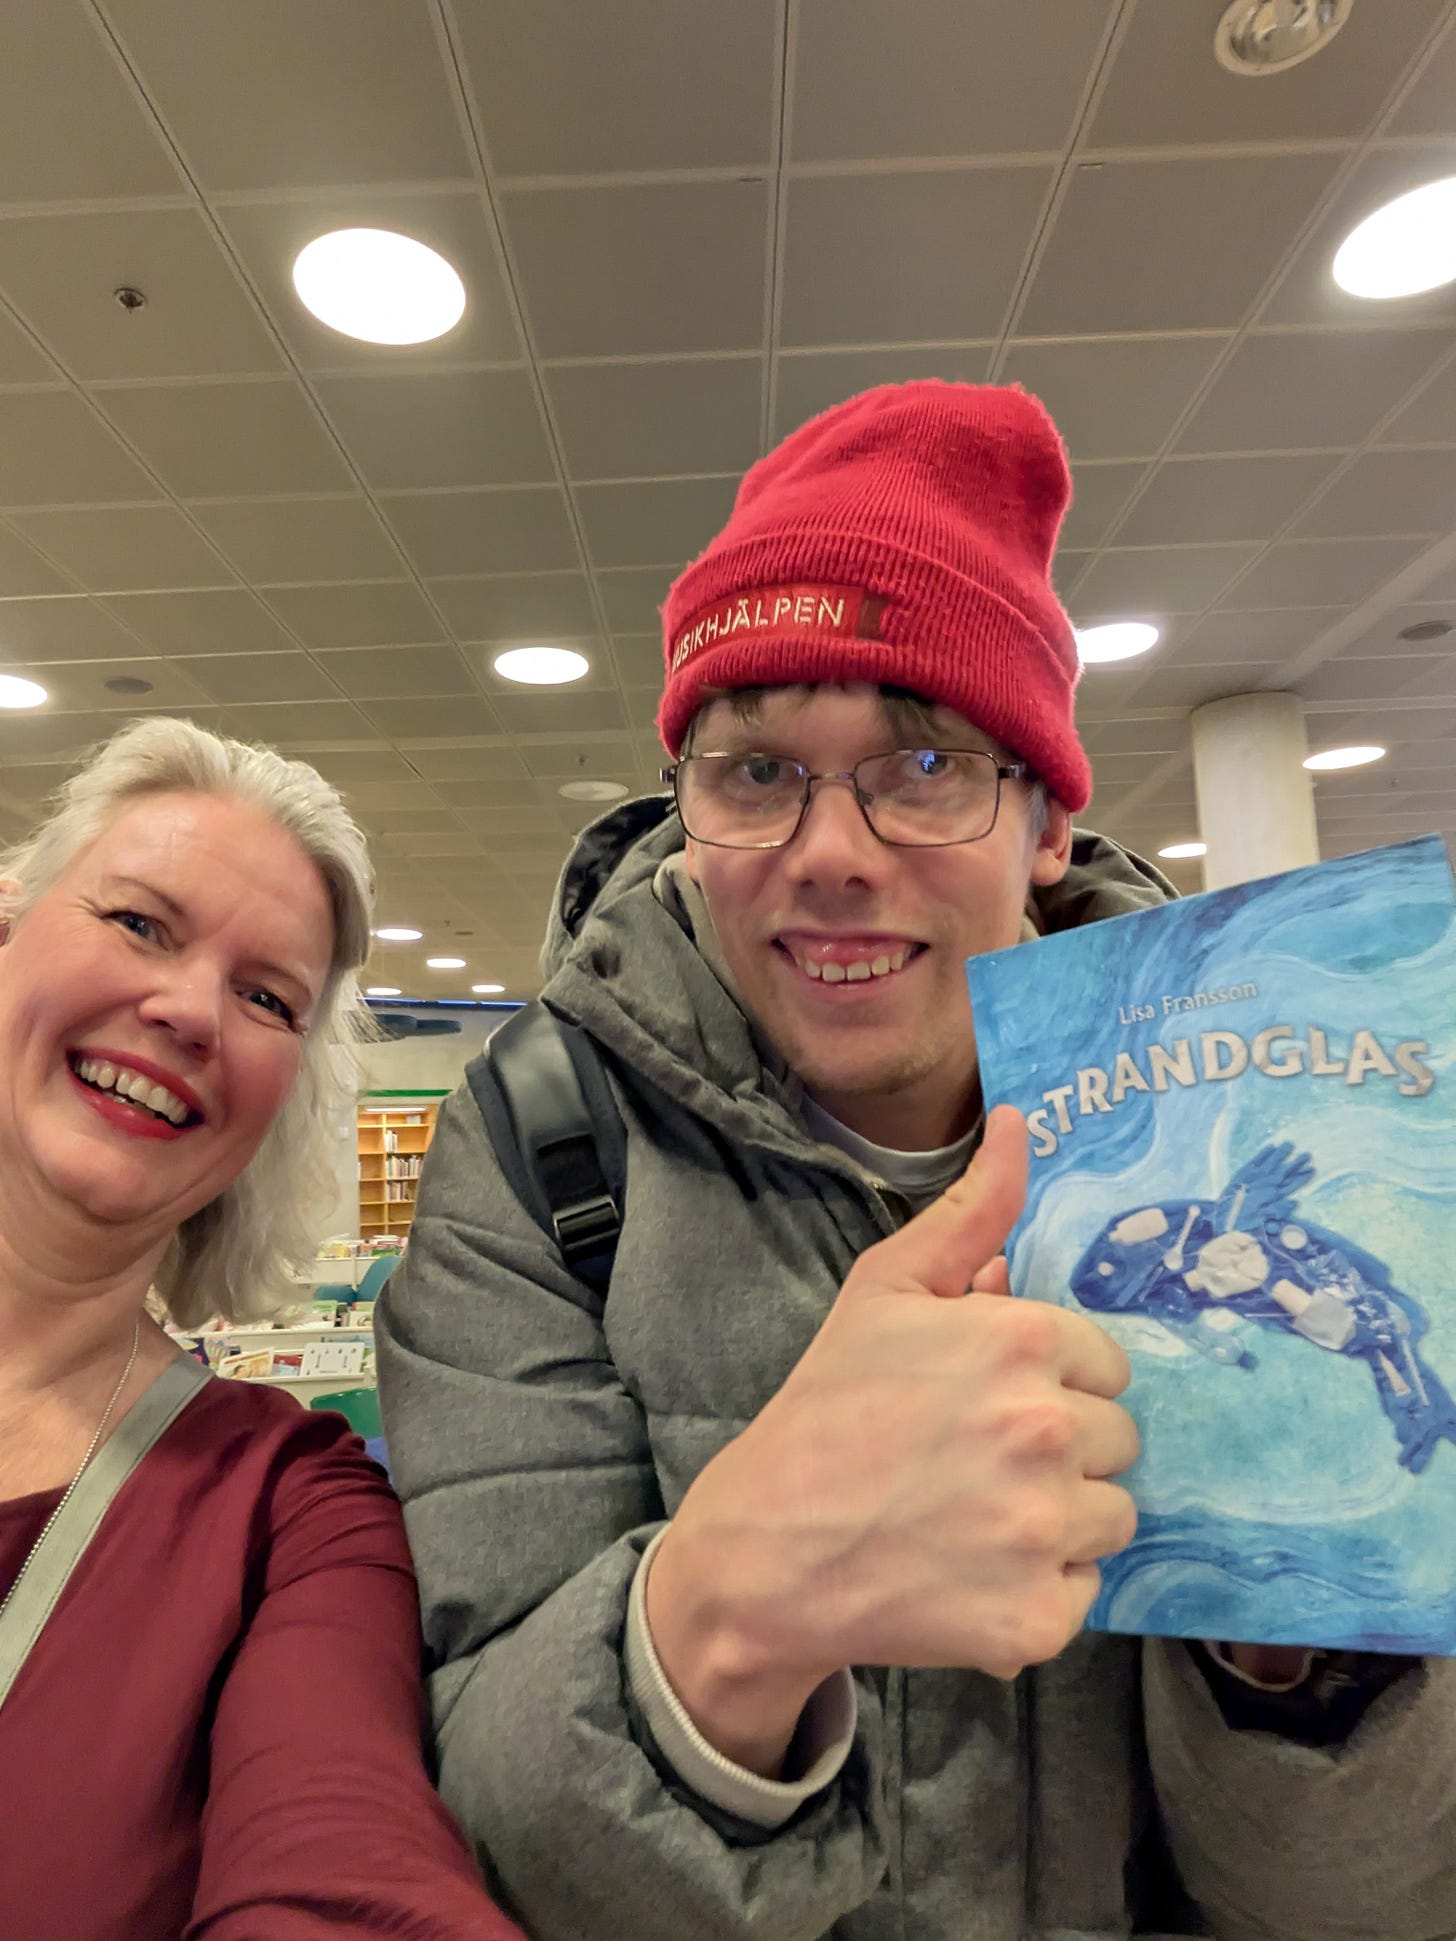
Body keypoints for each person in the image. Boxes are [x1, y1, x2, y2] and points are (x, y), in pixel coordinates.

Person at [377, 385, 1456, 1940]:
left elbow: (1367, 1900)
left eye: (927, 761)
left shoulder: (1262, 1127)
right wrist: (734, 1607)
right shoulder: (540, 1144)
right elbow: (500, 1829)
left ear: (1045, 822)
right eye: (757, 771)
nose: (830, 851)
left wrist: (1297, 1636)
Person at [0, 717, 521, 1940]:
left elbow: (345, 1853)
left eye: (266, 997)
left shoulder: (288, 1517)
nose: (192, 1011)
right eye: (140, 924)